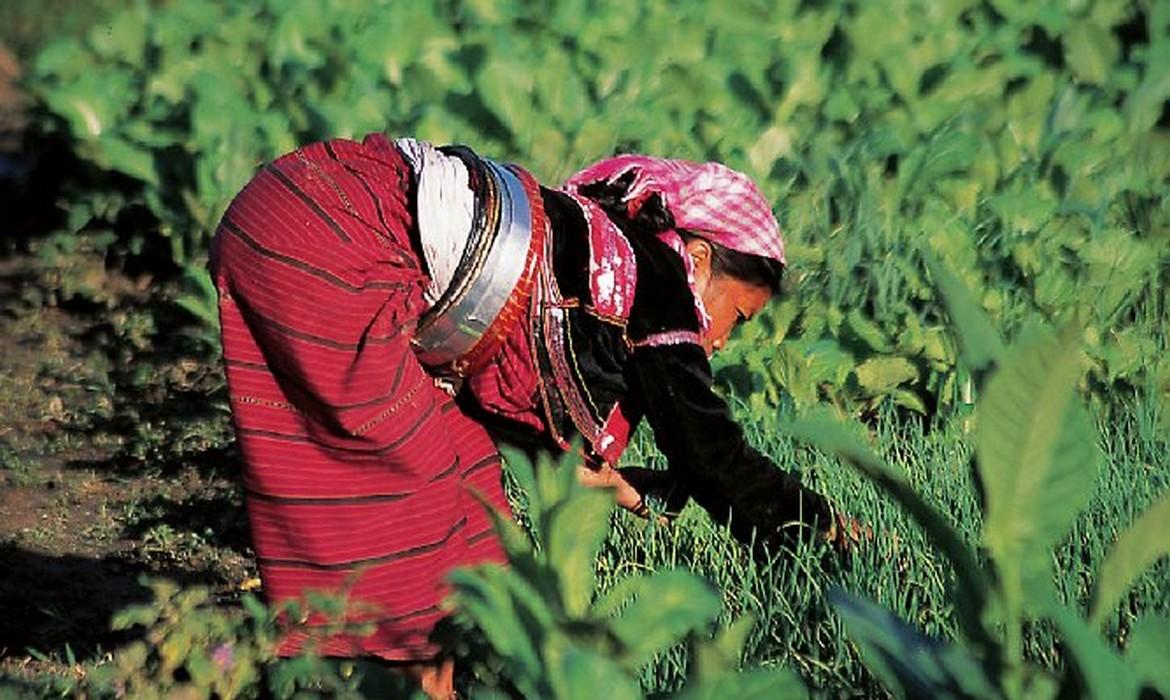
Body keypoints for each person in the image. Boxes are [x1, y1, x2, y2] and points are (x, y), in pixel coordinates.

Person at [209, 134, 858, 698]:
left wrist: (633, 488)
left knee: (472, 495)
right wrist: (817, 528)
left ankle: (422, 676)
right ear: (699, 258)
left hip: (308, 201)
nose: (718, 342)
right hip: (334, 234)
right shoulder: (659, 280)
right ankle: (391, 684)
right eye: (735, 318)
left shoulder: (601, 249)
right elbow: (710, 452)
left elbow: (512, 406)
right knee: (416, 498)